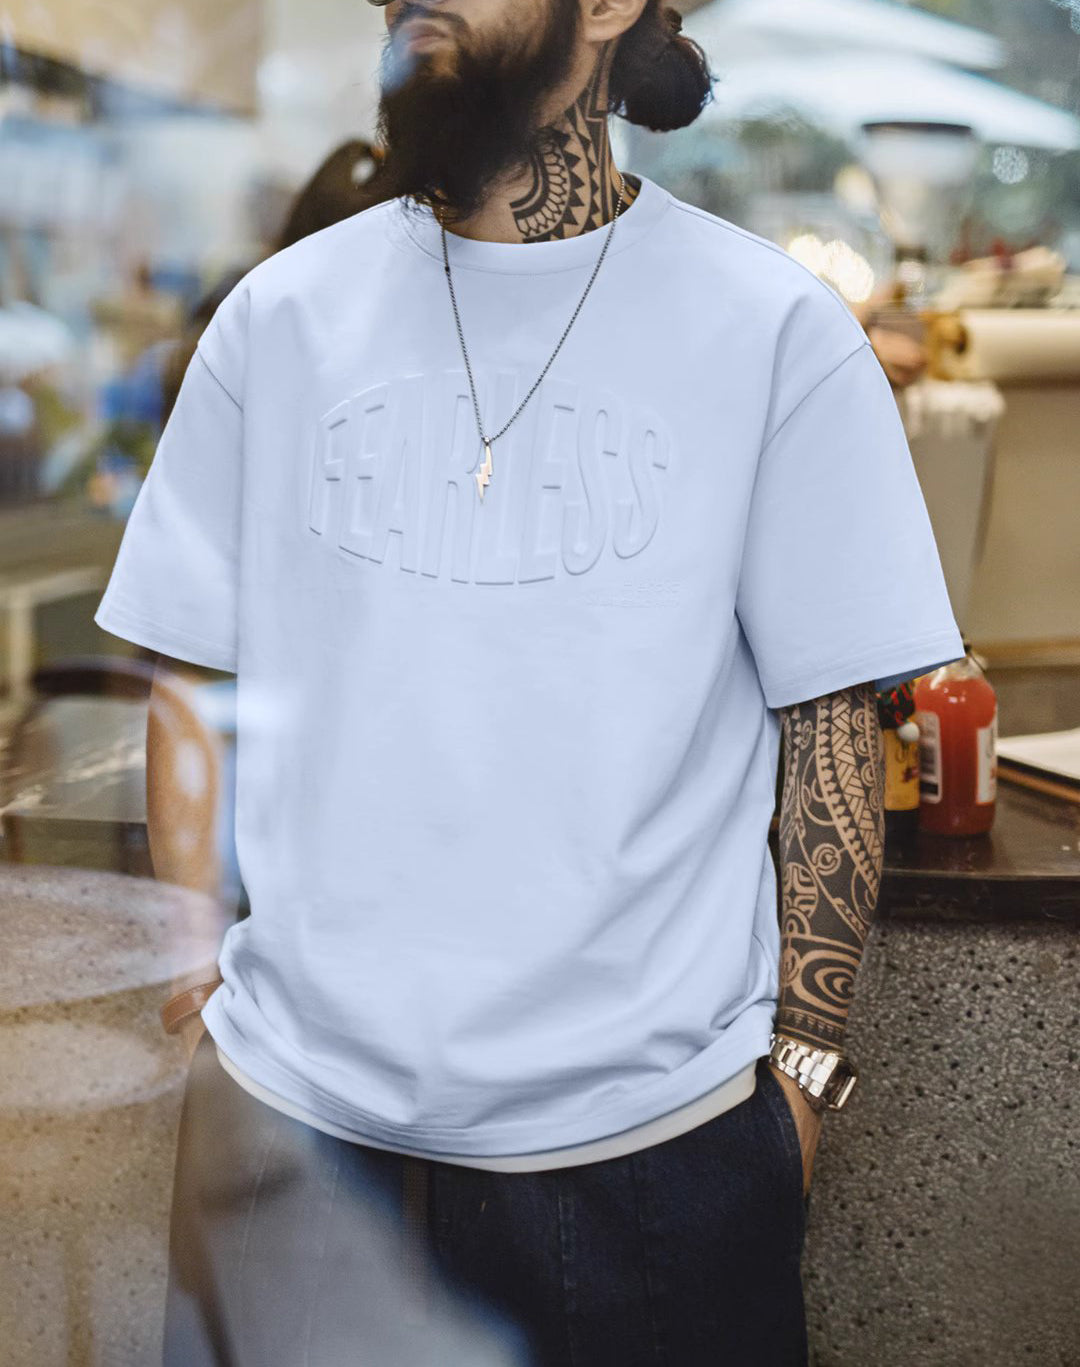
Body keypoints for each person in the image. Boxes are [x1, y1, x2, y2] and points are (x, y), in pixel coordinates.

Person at [93, 0, 966, 1362]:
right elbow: (191, 659)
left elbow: (831, 720)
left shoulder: (773, 331)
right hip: (292, 1139)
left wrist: (800, 1066)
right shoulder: (279, 317)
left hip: (657, 1166)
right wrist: (196, 962)